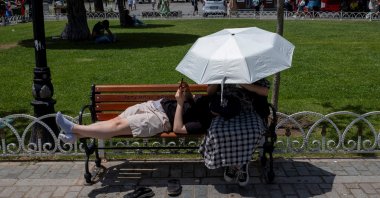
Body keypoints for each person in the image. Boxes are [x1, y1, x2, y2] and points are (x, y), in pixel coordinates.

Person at [56, 82, 213, 143]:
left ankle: (74, 129)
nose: (209, 86)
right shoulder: (206, 99)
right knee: (114, 123)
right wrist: (186, 93)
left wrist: (179, 103)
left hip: (160, 120)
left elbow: (178, 128)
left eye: (213, 84)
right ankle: (76, 137)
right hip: (154, 105)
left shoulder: (206, 120)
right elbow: (191, 102)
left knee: (117, 125)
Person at [199, 79, 270, 187]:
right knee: (217, 131)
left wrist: (243, 84)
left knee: (253, 131)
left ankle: (242, 163)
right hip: (226, 109)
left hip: (248, 110)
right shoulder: (223, 70)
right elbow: (209, 92)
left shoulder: (251, 70)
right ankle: (231, 162)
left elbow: (264, 91)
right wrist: (218, 80)